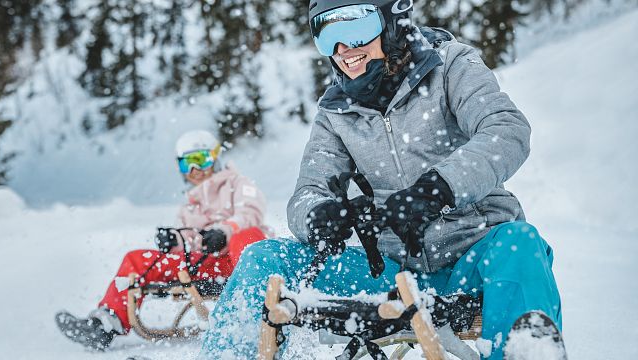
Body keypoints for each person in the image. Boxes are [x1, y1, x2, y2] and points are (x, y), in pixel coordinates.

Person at [199, 1, 561, 359]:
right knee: (264, 258)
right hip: (392, 273)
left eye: (355, 29)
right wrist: (318, 217)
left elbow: (506, 129)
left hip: (475, 260)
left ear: (392, 22)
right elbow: (307, 193)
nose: (343, 50)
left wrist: (439, 188)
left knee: (520, 244)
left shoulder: (451, 65)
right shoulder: (336, 112)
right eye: (328, 35)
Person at [56, 130, 268, 351]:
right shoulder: (189, 205)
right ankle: (105, 324)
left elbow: (251, 213)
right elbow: (189, 244)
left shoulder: (239, 184)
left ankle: (256, 305)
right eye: (187, 164)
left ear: (215, 158)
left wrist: (224, 231)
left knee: (248, 235)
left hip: (242, 263)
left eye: (200, 160)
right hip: (206, 265)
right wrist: (174, 241)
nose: (194, 170)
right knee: (137, 260)